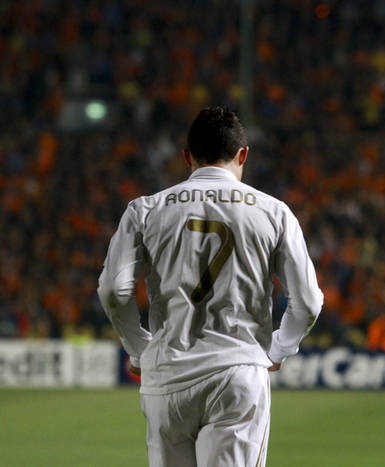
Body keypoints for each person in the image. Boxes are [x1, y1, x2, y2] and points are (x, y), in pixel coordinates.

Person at [97, 106, 323, 466]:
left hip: (168, 374)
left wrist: (139, 348)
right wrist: (279, 349)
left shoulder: (145, 210)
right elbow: (308, 301)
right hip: (237, 372)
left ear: (188, 156)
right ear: (243, 155)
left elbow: (113, 290)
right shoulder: (274, 212)